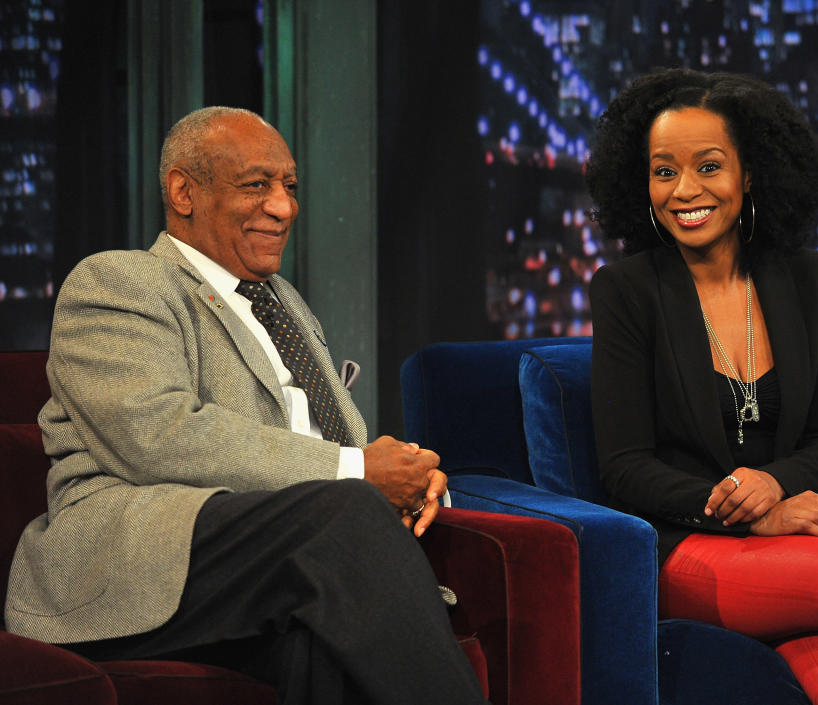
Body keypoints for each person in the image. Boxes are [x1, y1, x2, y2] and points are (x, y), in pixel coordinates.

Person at [4, 107, 486, 705]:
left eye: (289, 187)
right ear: (184, 191)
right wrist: (359, 472)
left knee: (324, 644)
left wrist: (407, 473)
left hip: (277, 567)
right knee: (348, 512)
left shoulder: (284, 302)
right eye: (256, 185)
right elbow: (158, 434)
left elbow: (320, 450)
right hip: (141, 558)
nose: (283, 208)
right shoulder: (121, 281)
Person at [585, 68, 818, 705]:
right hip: (686, 547)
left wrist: (777, 484)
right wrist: (751, 511)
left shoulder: (806, 279)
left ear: (748, 175)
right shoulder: (627, 291)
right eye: (664, 171)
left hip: (790, 550)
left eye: (708, 166)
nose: (685, 191)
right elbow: (625, 468)